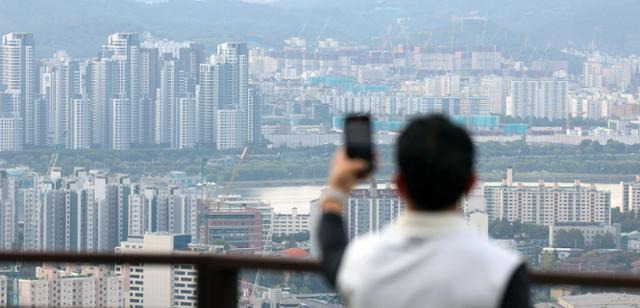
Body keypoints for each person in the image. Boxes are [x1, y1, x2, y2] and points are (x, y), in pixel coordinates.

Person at [316, 115, 531, 308]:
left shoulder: (360, 263)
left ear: (398, 185)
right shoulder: (502, 272)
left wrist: (337, 188)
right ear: (470, 184)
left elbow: (331, 249)